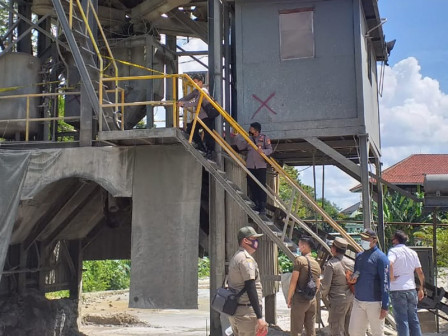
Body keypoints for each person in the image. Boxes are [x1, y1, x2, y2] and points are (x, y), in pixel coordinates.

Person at [228, 226, 268, 336]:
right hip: (247, 312)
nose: (256, 242)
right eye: (254, 239)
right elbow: (251, 287)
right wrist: (259, 317)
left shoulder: (236, 256)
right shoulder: (246, 259)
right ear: (245, 240)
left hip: (237, 310)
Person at [348, 229, 390, 336]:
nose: (363, 241)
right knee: (354, 332)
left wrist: (385, 306)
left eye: (366, 239)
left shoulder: (381, 258)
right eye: (362, 238)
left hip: (375, 302)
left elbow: (385, 282)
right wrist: (352, 279)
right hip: (359, 300)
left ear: (374, 241)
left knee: (377, 333)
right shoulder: (359, 256)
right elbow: (357, 272)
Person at [388, 230, 425, 336]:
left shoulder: (393, 251)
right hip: (411, 288)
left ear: (396, 240)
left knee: (402, 320)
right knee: (413, 319)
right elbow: (420, 272)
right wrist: (421, 288)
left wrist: (391, 277)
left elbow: (389, 264)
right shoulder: (412, 253)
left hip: (397, 289)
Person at [235, 122, 273, 216]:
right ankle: (256, 204)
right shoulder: (249, 139)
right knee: (252, 185)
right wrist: (237, 137)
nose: (250, 130)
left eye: (251, 129)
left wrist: (263, 151)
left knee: (261, 186)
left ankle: (262, 206)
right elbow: (241, 147)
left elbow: (270, 150)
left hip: (261, 166)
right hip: (250, 166)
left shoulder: (264, 138)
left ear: (256, 130)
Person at [287, 236, 321, 336]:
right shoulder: (316, 264)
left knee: (296, 330)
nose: (298, 247)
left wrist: (289, 298)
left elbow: (293, 281)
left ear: (304, 246)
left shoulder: (300, 260)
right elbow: (318, 285)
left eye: (299, 245)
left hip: (299, 299)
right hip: (312, 300)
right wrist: (312, 297)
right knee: (311, 331)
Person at [320, 237, 354, 336]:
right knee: (348, 330)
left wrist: (323, 296)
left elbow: (326, 285)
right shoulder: (351, 263)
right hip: (350, 299)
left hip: (337, 301)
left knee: (336, 330)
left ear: (334, 249)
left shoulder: (331, 264)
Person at [177, 74, 215, 154]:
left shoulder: (203, 90)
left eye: (195, 82)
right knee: (190, 129)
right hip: (200, 117)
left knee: (208, 134)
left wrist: (183, 104)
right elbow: (188, 97)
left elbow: (196, 102)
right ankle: (201, 146)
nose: (194, 84)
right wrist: (178, 101)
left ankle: (210, 151)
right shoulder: (196, 91)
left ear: (201, 82)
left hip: (207, 116)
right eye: (193, 82)